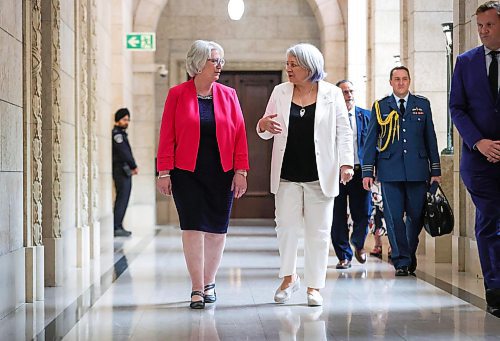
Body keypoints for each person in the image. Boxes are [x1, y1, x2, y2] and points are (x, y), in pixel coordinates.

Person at [257, 43, 354, 306]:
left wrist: (347, 164)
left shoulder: (332, 94)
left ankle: (314, 286)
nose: (287, 69)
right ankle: (289, 279)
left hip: (320, 175)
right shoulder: (280, 91)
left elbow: (344, 132)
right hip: (287, 174)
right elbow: (265, 128)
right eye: (287, 63)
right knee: (286, 228)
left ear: (309, 67)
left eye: (293, 64)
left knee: (318, 232)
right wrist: (262, 124)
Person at [156, 40, 249, 310]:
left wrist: (241, 170)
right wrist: (164, 171)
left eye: (221, 60)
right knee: (193, 229)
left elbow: (240, 135)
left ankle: (210, 282)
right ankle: (197, 287)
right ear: (198, 64)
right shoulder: (177, 94)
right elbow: (167, 135)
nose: (219, 65)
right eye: (214, 60)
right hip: (187, 173)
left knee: (217, 231)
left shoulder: (229, 95)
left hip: (221, 173)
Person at [362, 66, 441, 277]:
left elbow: (430, 138)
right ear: (391, 82)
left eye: (404, 79)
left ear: (409, 81)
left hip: (417, 170)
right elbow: (370, 142)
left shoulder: (421, 105)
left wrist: (435, 169)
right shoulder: (380, 107)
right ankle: (402, 261)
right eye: (396, 79)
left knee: (415, 217)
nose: (401, 83)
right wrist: (367, 172)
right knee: (394, 217)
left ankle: (407, 253)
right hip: (389, 171)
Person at [449, 1, 500, 318]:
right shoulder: (465, 62)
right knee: (491, 220)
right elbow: (457, 107)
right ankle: (494, 290)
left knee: (491, 224)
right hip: (478, 160)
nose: (482, 31)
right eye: (479, 25)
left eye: (489, 25)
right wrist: (479, 141)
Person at [331, 80, 372, 269]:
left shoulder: (367, 116)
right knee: (337, 214)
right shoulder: (330, 117)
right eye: (344, 92)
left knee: (363, 211)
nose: (348, 95)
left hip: (360, 172)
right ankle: (343, 256)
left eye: (350, 91)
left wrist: (372, 170)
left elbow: (373, 146)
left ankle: (359, 243)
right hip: (336, 172)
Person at [112, 108, 138, 237]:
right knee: (122, 199)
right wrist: (134, 165)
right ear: (118, 120)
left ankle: (118, 225)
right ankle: (116, 226)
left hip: (124, 171)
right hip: (121, 171)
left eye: (128, 120)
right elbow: (124, 153)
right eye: (124, 119)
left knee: (124, 198)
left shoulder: (121, 134)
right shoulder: (117, 135)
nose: (127, 122)